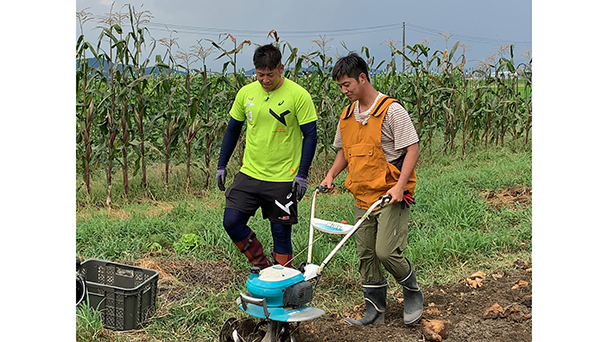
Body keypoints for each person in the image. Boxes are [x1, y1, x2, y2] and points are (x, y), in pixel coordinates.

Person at [319, 53, 423, 326]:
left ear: (362, 78)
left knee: (386, 251)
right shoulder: (347, 115)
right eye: (341, 86)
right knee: (366, 254)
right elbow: (345, 152)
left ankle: (412, 291)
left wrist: (400, 187)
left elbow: (412, 149)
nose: (344, 91)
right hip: (361, 195)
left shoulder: (391, 110)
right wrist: (331, 175)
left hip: (389, 194)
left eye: (347, 85)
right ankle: (375, 310)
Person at [216, 44, 318, 270]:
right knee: (231, 221)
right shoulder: (246, 93)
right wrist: (222, 164)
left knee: (281, 233)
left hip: (283, 177)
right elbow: (233, 129)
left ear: (281, 68)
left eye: (270, 74)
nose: (264, 80)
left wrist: (302, 174)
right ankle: (263, 268)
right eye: (260, 74)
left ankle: (285, 282)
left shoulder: (298, 95)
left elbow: (310, 135)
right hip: (250, 173)